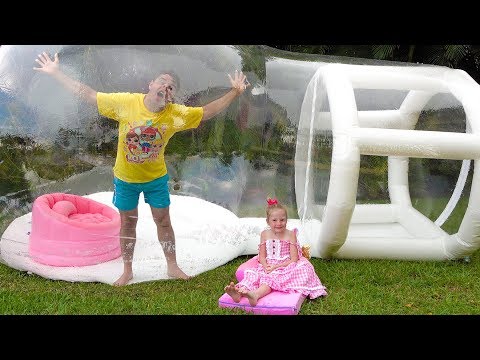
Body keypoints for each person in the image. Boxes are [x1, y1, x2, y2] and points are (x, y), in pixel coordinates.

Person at [34, 51, 250, 286]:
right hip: (125, 179)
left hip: (155, 179)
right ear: (150, 84)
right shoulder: (127, 103)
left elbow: (208, 112)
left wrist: (235, 92)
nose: (166, 86)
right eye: (162, 81)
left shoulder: (175, 115)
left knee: (163, 221)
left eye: (171, 86)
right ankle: (127, 270)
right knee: (128, 222)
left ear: (172, 96)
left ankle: (172, 266)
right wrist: (56, 73)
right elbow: (88, 94)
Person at [224, 198, 327, 306]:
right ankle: (238, 293)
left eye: (282, 220)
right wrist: (265, 265)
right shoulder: (264, 234)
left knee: (301, 270)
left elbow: (294, 259)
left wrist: (276, 267)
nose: (279, 223)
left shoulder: (291, 234)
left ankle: (255, 295)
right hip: (269, 263)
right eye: (274, 220)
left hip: (286, 263)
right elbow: (262, 256)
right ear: (268, 221)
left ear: (286, 220)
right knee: (255, 276)